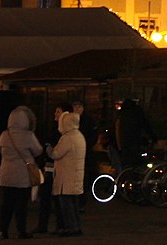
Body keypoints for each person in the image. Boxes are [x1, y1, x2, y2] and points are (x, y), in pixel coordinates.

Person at [0, 105, 42, 240]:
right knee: (21, 204)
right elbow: (38, 150)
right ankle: (21, 230)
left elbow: (0, 149)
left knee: (7, 203)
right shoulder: (28, 135)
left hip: (6, 174)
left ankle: (3, 231)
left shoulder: (5, 135)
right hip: (23, 174)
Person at [47, 109, 86, 237]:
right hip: (75, 176)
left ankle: (71, 228)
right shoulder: (79, 136)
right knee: (74, 204)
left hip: (66, 177)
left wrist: (49, 149)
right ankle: (76, 226)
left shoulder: (67, 138)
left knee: (67, 205)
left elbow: (56, 154)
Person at [35, 103, 66, 235]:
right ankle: (45, 225)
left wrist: (48, 149)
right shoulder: (54, 129)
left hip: (56, 168)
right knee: (47, 198)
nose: (55, 114)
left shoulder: (63, 134)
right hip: (49, 167)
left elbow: (55, 152)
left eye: (58, 111)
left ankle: (59, 225)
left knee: (55, 199)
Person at [71, 101, 97, 210]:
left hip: (85, 153)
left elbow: (93, 136)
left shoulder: (88, 121)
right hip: (72, 154)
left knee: (83, 178)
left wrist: (85, 145)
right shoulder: (69, 120)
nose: (77, 109)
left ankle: (81, 202)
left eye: (79, 106)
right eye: (75, 106)